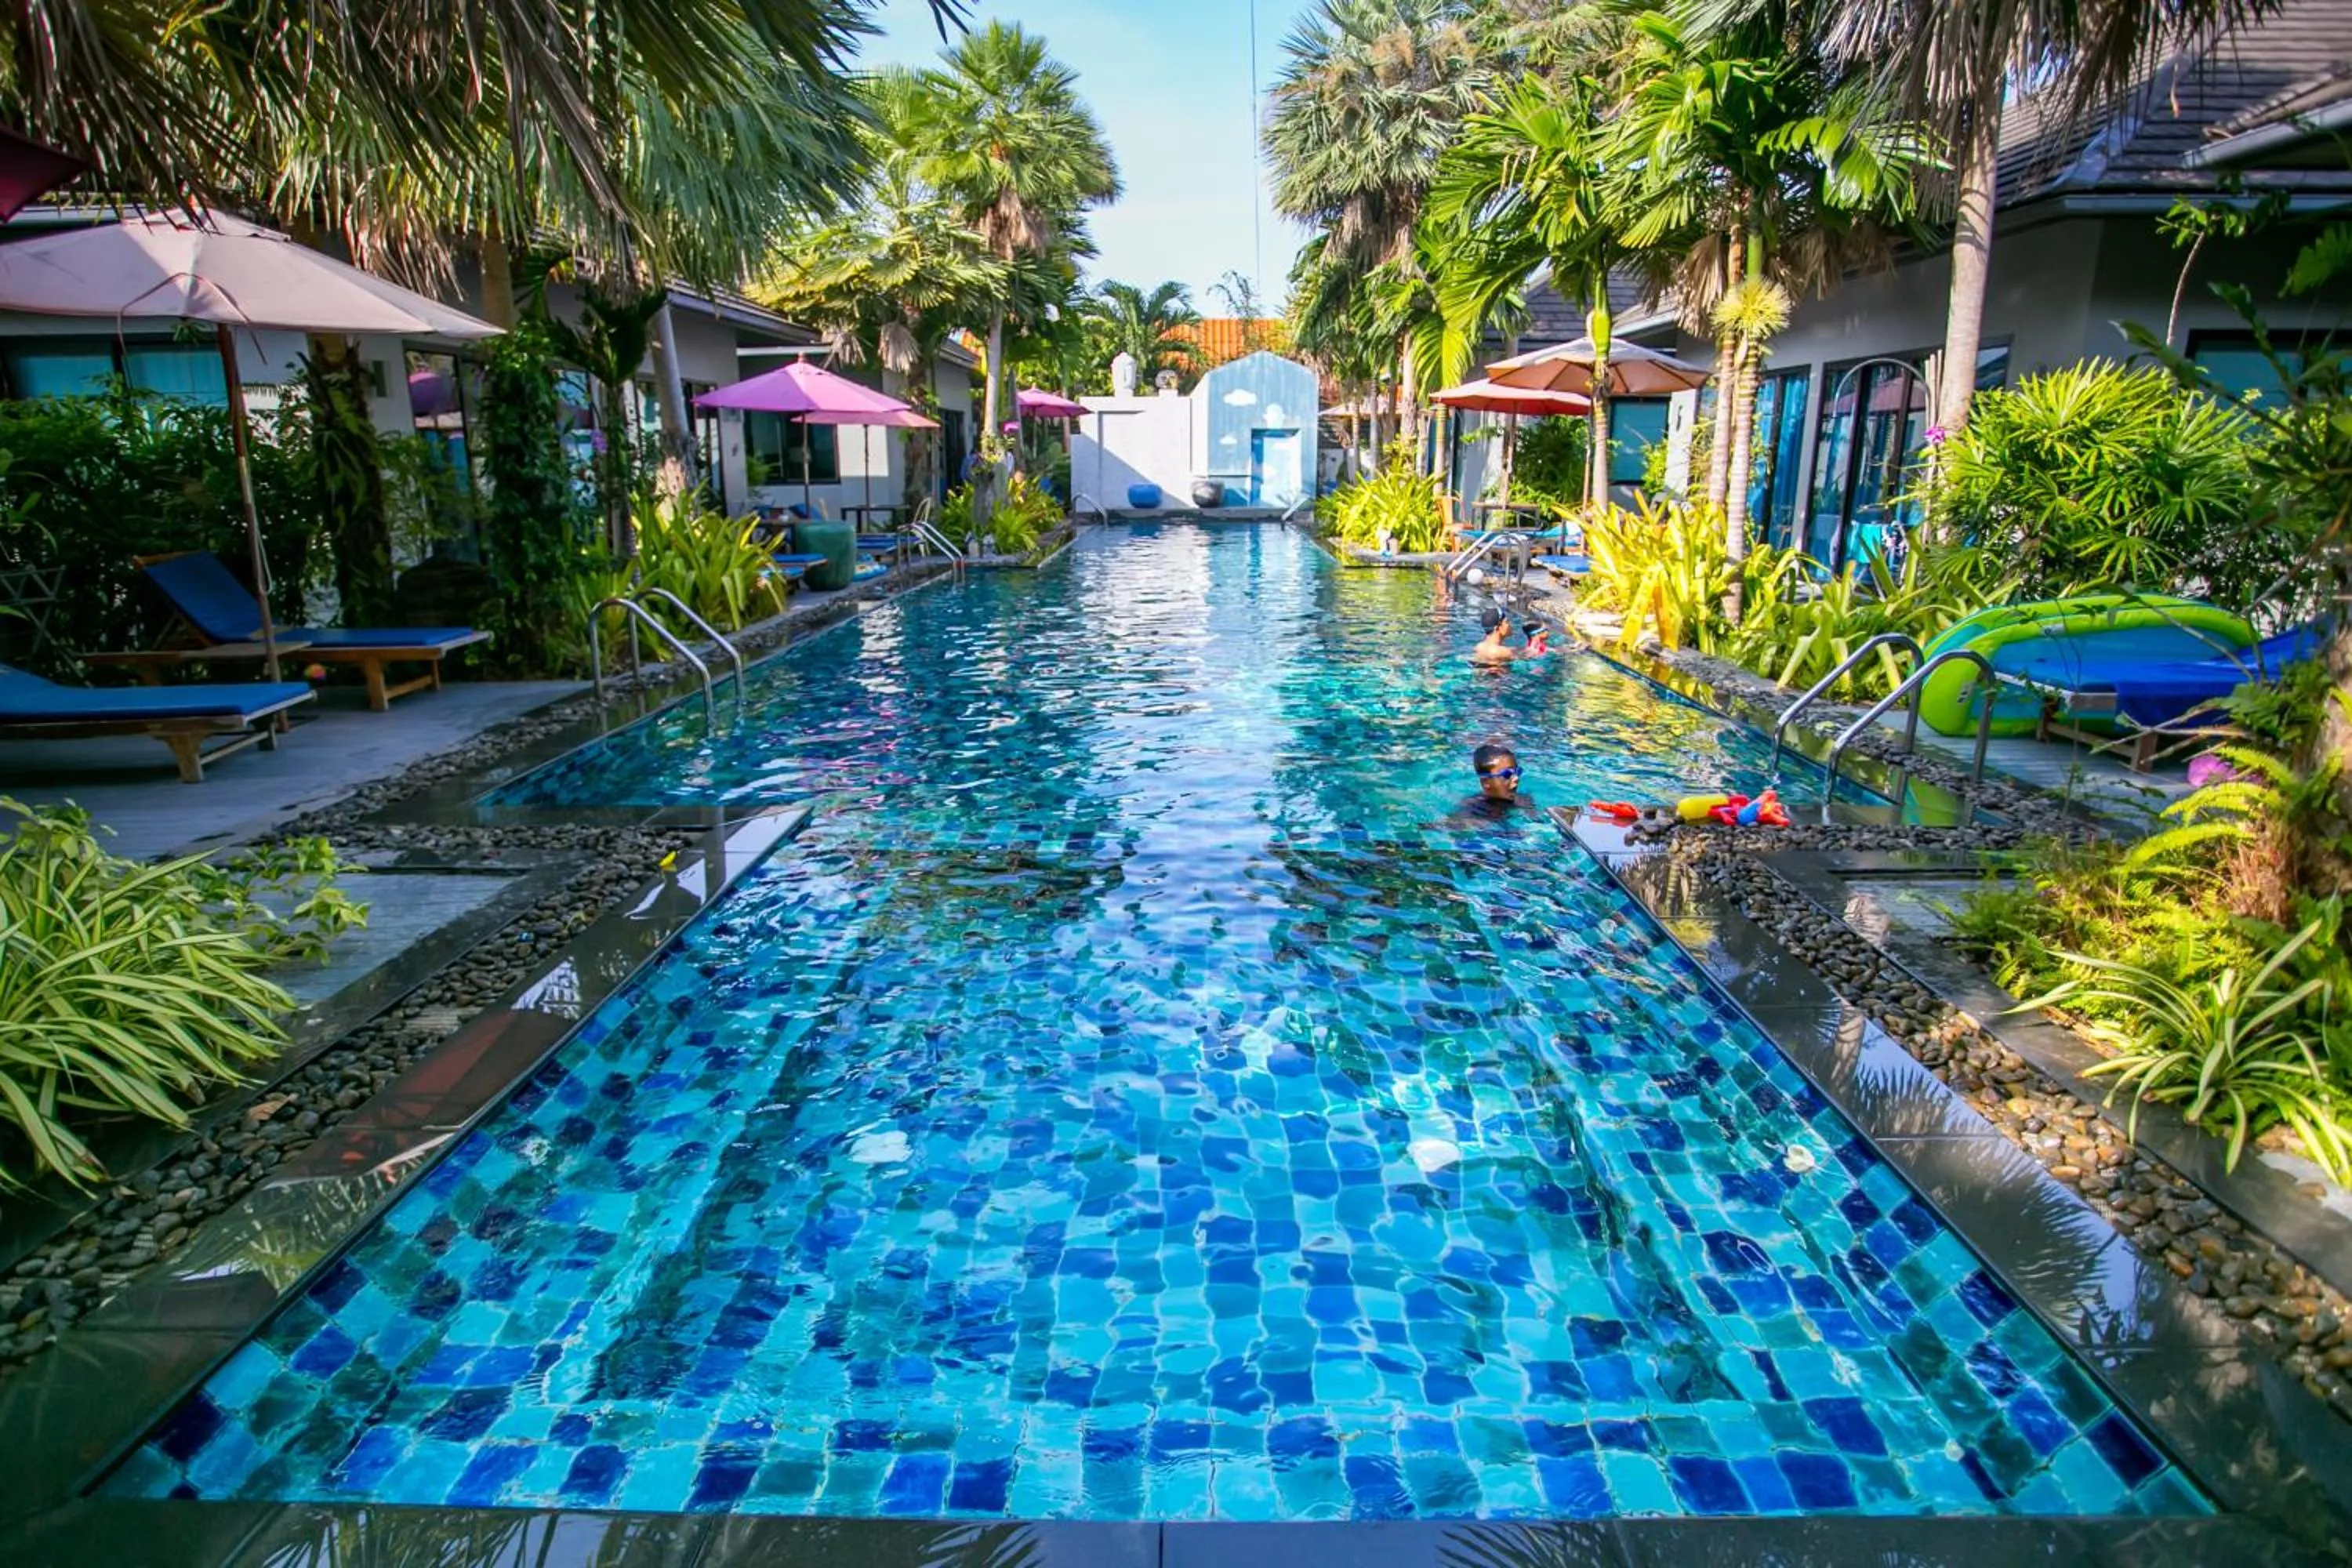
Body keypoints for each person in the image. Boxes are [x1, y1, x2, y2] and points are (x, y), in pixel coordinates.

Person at [1451, 742, 1539, 823]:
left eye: (1518, 771)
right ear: (1486, 782)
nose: (1516, 778)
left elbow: (1536, 823)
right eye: (1507, 774)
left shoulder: (1524, 800)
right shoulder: (1471, 809)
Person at [1471, 606, 1538, 665]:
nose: (1510, 625)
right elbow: (1526, 657)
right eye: (1507, 622)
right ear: (1498, 627)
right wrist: (1535, 651)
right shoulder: (1502, 652)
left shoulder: (1479, 647)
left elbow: (1512, 650)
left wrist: (1526, 649)